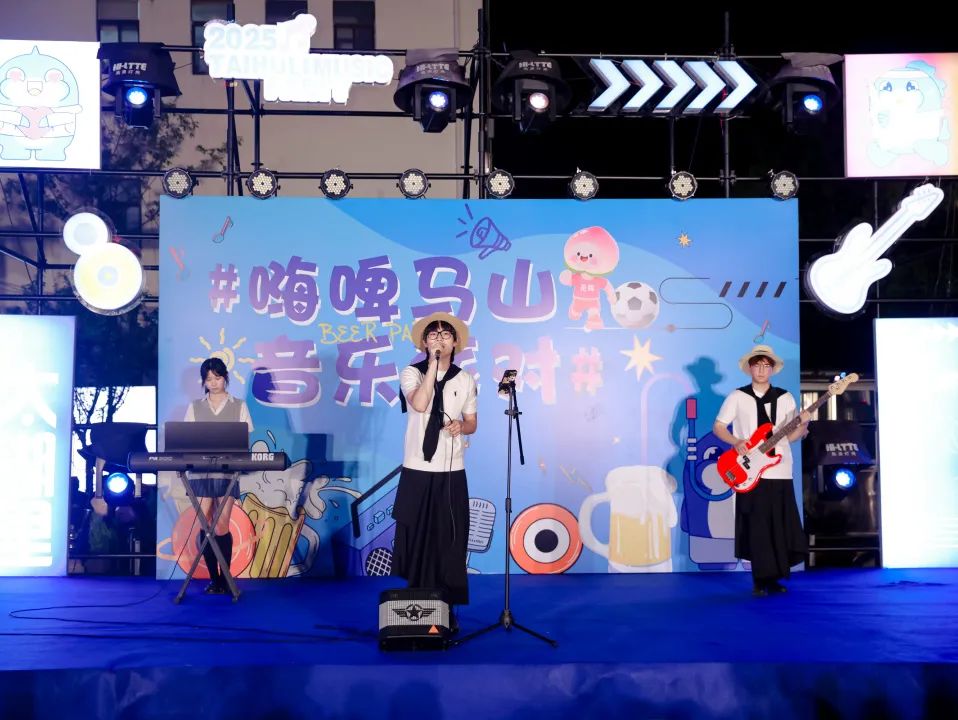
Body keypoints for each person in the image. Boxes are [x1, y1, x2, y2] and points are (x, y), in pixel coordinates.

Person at [393, 311, 478, 629]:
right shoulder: (411, 373)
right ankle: (417, 604)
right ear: (424, 343)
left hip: (451, 470)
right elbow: (419, 403)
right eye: (432, 335)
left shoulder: (465, 379)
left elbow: (472, 422)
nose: (439, 339)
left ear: (455, 342)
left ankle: (447, 608)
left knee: (449, 539)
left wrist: (461, 426)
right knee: (416, 536)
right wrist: (432, 365)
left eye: (445, 335)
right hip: (417, 467)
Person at [712, 344, 809, 596]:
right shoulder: (737, 396)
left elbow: (791, 436)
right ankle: (759, 579)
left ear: (773, 369)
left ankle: (775, 578)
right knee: (756, 525)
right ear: (750, 368)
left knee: (779, 524)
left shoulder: (785, 397)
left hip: (780, 469)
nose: (762, 370)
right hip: (749, 471)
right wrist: (736, 442)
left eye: (767, 365)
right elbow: (719, 426)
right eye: (758, 365)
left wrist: (802, 426)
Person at [185, 357, 253, 594]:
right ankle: (214, 580)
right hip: (200, 474)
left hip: (227, 473)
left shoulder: (239, 405)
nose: (213, 383)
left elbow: (245, 438)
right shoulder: (195, 406)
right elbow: (186, 439)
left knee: (222, 524)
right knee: (205, 523)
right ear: (203, 382)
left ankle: (225, 578)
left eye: (217, 377)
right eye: (208, 379)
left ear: (225, 378)